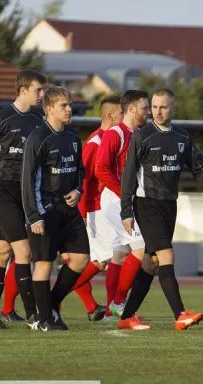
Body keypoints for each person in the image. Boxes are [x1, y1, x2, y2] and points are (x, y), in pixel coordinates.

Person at [119, 88, 203, 330]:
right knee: (166, 255)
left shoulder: (182, 137)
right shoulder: (142, 137)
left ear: (174, 108)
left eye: (163, 107)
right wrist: (126, 211)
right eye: (154, 107)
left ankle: (126, 317)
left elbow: (199, 168)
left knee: (151, 262)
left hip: (169, 204)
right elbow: (128, 175)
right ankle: (180, 314)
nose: (157, 111)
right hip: (146, 203)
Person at [0, 69, 46, 330]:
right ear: (23, 90)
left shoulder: (39, 121)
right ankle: (32, 316)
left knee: (1, 252)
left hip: (24, 191)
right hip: (1, 188)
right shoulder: (0, 119)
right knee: (23, 251)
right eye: (38, 90)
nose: (42, 94)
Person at [21, 86, 90, 331]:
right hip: (44, 210)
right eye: (63, 105)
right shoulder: (38, 138)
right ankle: (46, 320)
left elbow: (80, 170)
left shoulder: (73, 136)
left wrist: (78, 190)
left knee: (81, 259)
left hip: (69, 210)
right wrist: (33, 216)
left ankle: (50, 304)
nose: (69, 109)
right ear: (49, 109)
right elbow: (27, 180)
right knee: (44, 265)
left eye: (70, 104)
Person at [88, 90, 151, 321]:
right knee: (141, 248)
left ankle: (110, 309)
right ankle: (119, 302)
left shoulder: (139, 133)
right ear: (132, 109)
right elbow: (100, 169)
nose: (148, 112)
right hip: (116, 201)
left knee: (121, 254)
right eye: (145, 108)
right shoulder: (116, 133)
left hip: (127, 200)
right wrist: (124, 194)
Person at [67, 95, 125, 321]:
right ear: (111, 116)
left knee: (109, 259)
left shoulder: (114, 139)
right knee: (107, 259)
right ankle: (55, 297)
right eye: (122, 114)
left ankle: (114, 309)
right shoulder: (95, 143)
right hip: (96, 208)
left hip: (108, 208)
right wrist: (81, 214)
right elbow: (82, 181)